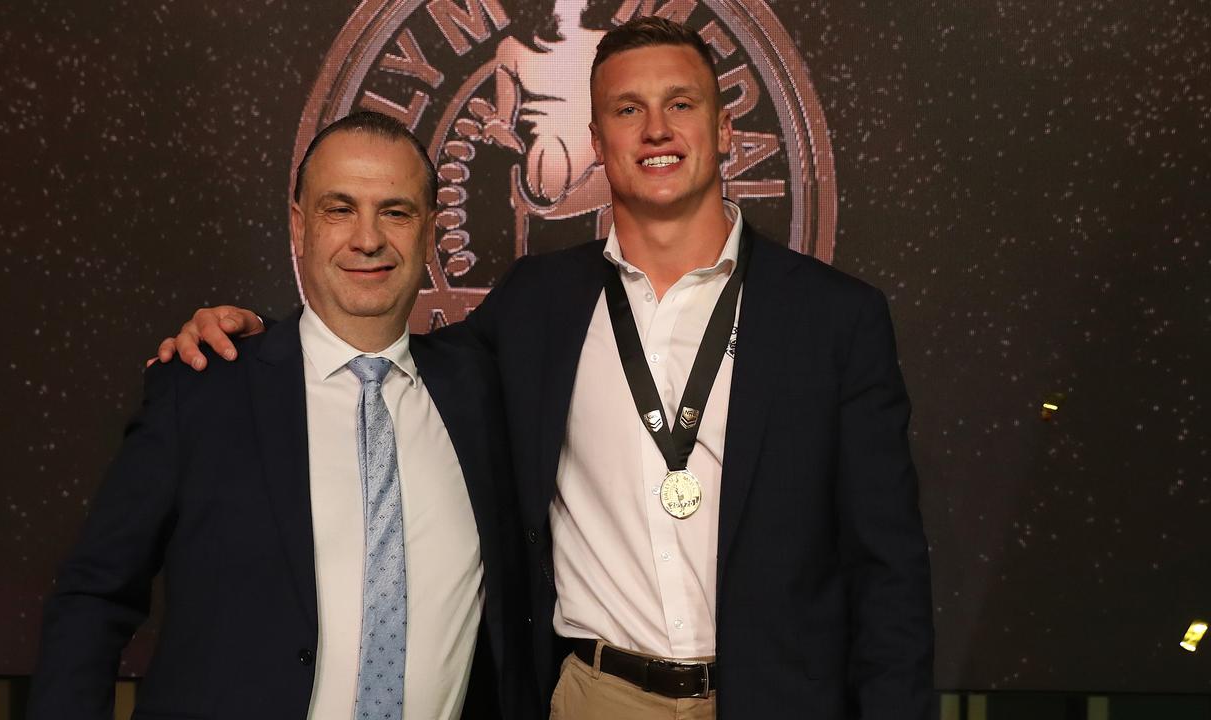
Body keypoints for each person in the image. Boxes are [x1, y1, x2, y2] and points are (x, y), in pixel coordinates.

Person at [159, 17, 934, 719]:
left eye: (681, 105)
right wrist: (264, 336)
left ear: (726, 129)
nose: (655, 129)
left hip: (783, 698)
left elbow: (888, 572)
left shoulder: (837, 319)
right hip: (598, 699)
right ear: (597, 141)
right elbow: (393, 356)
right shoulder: (538, 305)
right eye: (628, 110)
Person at [29, 111, 531, 720]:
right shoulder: (204, 390)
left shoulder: (484, 389)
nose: (368, 238)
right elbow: (94, 596)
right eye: (338, 209)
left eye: (395, 212)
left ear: (430, 234)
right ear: (299, 227)